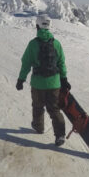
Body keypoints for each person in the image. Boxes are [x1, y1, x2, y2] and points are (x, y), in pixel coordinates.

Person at [16, 14, 69, 146]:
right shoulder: (56, 43)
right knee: (54, 109)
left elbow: (26, 63)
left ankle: (39, 127)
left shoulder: (33, 44)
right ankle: (60, 135)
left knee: (38, 107)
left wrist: (21, 79)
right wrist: (64, 79)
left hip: (38, 84)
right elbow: (61, 63)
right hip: (54, 84)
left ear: (37, 26)